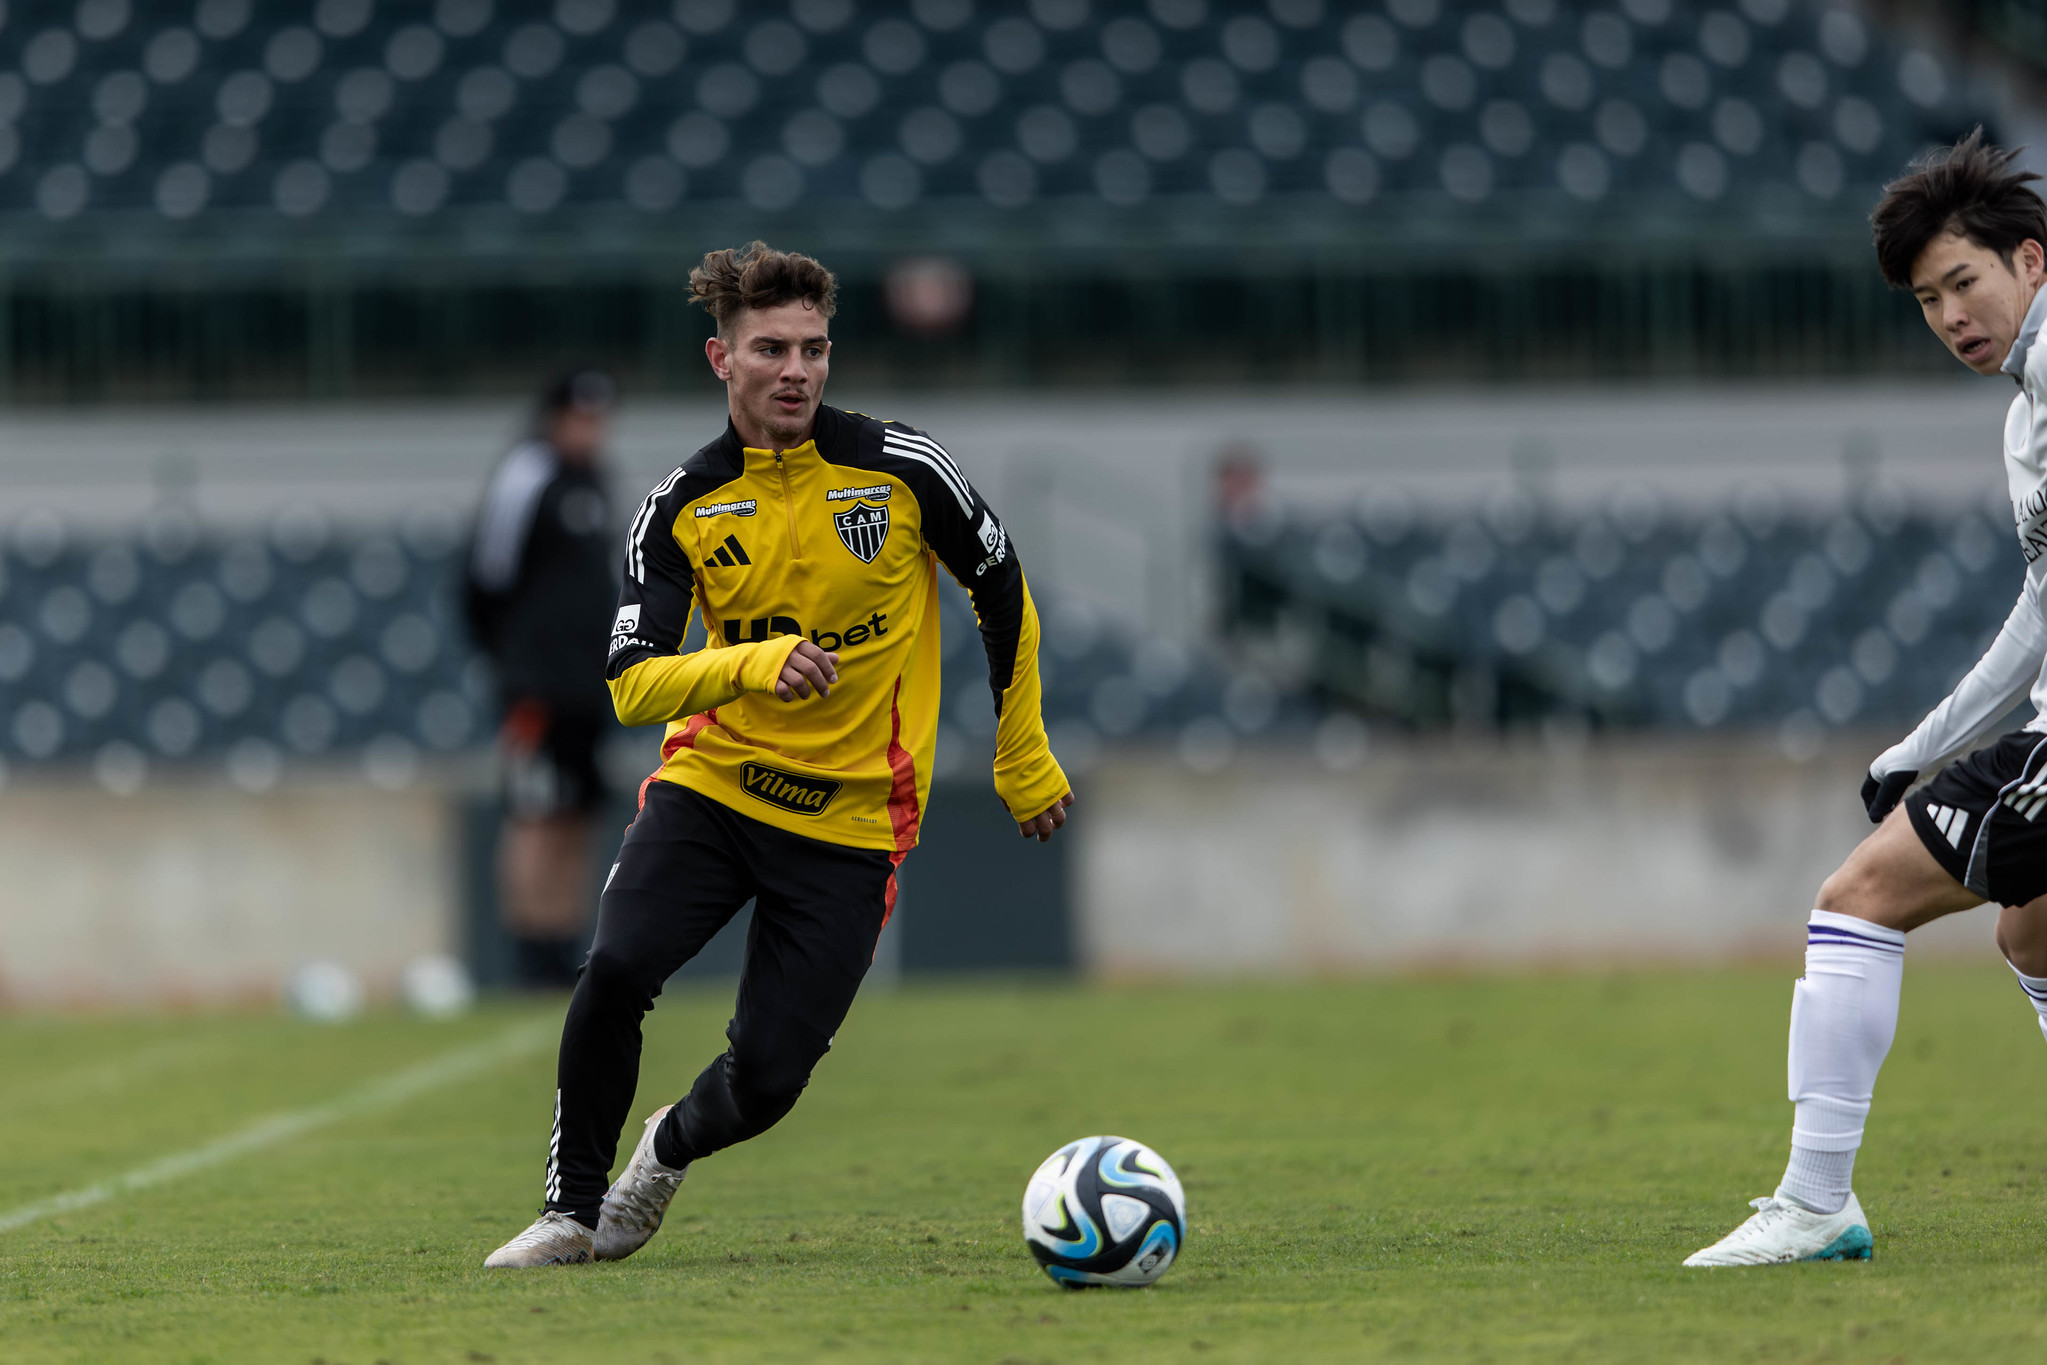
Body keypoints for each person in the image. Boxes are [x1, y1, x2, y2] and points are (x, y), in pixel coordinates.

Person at [485, 242, 1073, 1268]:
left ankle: (664, 1149)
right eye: (770, 349)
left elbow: (1003, 587)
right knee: (616, 965)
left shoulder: (903, 470)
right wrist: (751, 666)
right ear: (723, 359)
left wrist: (1021, 751)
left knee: (766, 1079)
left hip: (852, 817)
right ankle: (570, 1211)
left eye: (812, 348)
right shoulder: (678, 506)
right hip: (712, 790)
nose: (795, 368)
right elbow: (632, 682)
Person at [1687, 130, 2047, 1266]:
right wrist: (1921, 746)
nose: (1949, 317)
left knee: (1856, 899)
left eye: (1962, 282)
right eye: (1925, 300)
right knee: (2035, 934)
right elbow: (2041, 609)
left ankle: (1813, 1202)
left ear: (2028, 263)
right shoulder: (2024, 412)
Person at [464, 370, 620, 990]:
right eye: (581, 419)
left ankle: (564, 942)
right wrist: (514, 662)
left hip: (589, 683)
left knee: (578, 811)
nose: (591, 432)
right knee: (535, 810)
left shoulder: (596, 484)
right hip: (536, 685)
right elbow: (485, 575)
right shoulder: (527, 475)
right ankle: (531, 947)